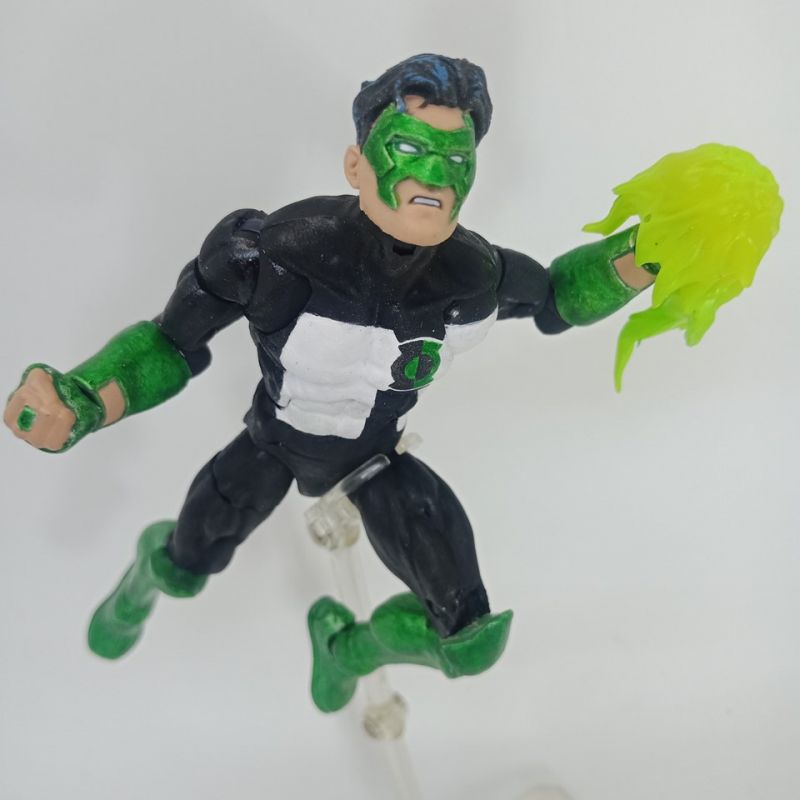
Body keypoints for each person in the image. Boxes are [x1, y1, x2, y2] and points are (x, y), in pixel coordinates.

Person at [4, 53, 658, 712]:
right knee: (186, 565)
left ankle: (347, 650)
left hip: (375, 459)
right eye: (409, 150)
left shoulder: (472, 276)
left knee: (469, 639)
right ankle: (144, 579)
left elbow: (557, 298)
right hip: (272, 444)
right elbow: (170, 342)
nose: (433, 179)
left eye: (455, 159)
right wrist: (85, 399)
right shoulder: (271, 255)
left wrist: (648, 253)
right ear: (356, 165)